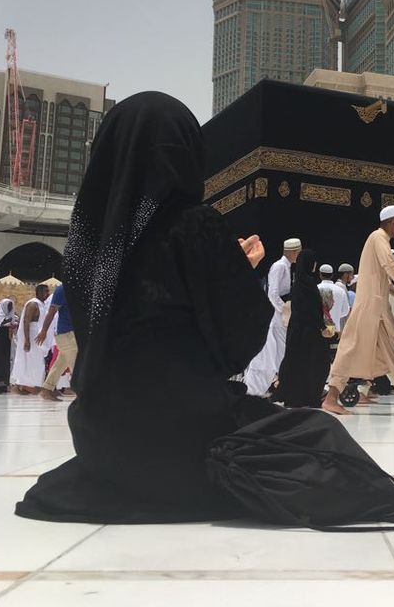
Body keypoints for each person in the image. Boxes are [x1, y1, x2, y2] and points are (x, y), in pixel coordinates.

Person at [15, 92, 281, 524]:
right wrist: (241, 270)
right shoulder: (195, 225)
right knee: (312, 435)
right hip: (185, 441)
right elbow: (240, 339)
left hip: (103, 442)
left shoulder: (88, 246)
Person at [322, 206, 394, 416]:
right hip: (369, 308)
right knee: (351, 349)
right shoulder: (378, 237)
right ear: (391, 223)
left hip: (378, 309)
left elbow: (383, 274)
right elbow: (391, 266)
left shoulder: (380, 240)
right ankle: (331, 398)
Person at [242, 237, 301, 397]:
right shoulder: (280, 266)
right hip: (276, 315)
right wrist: (285, 311)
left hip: (279, 314)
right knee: (276, 352)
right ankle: (273, 385)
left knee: (279, 352)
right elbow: (273, 293)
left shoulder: (286, 267)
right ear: (295, 252)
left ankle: (276, 385)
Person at [275, 250, 332, 408]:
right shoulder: (308, 283)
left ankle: (296, 397)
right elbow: (311, 309)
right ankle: (310, 397)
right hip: (309, 332)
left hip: (298, 331)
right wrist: (322, 326)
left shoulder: (299, 283)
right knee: (314, 364)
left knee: (298, 363)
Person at [36, 283, 77, 402]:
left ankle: (47, 389)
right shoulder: (62, 290)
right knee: (76, 363)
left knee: (60, 364)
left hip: (75, 332)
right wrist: (44, 331)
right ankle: (83, 394)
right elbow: (52, 311)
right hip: (66, 332)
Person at [10, 284, 50, 394]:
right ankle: (19, 386)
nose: (48, 294)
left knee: (36, 361)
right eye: (46, 291)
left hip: (38, 336)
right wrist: (27, 340)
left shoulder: (42, 304)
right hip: (31, 335)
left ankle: (30, 385)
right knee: (29, 360)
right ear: (39, 292)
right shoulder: (33, 304)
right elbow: (26, 321)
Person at [318, 264, 349, 333]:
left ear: (320, 274)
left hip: (318, 331)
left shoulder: (315, 289)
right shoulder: (340, 291)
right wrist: (336, 314)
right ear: (332, 275)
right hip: (335, 331)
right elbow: (345, 311)